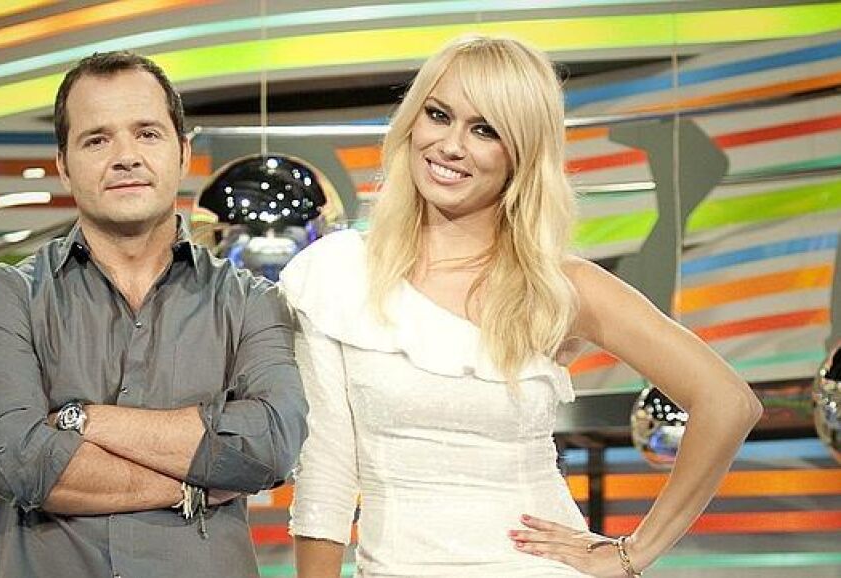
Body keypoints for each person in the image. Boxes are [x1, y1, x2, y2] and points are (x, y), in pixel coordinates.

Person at [279, 35, 762, 577]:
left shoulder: (559, 285)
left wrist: (634, 552)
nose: (451, 145)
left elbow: (728, 402)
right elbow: (325, 473)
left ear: (522, 153)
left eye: (485, 130)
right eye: (439, 115)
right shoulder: (336, 273)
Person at [0, 51, 308, 578]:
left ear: (183, 153)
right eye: (97, 140)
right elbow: (13, 459)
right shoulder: (10, 294)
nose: (126, 157)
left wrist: (83, 419)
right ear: (64, 165)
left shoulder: (250, 300)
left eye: (147, 133)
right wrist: (195, 484)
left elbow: (271, 443)